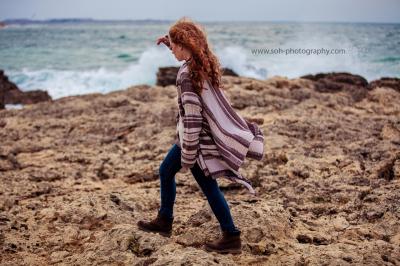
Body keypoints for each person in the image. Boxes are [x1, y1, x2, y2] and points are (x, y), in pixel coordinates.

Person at [137, 17, 264, 255]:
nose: (172, 49)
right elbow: (184, 53)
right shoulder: (200, 63)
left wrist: (189, 153)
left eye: (174, 45)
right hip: (197, 137)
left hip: (194, 139)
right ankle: (167, 221)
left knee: (194, 181)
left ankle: (230, 236)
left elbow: (193, 117)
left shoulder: (186, 76)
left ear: (184, 46)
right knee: (173, 173)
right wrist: (169, 42)